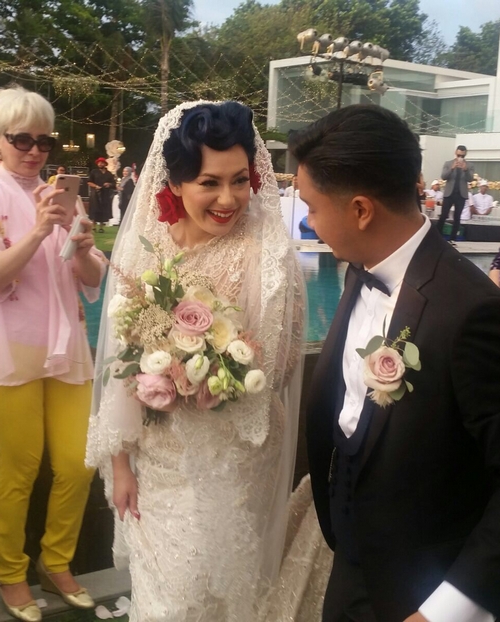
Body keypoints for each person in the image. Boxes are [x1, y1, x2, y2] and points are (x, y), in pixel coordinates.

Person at [86, 101, 308, 622]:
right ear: (176, 182)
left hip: (235, 464)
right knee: (163, 601)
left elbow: (276, 367)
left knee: (211, 599)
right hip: (157, 463)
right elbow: (121, 361)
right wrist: (120, 464)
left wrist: (203, 371)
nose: (229, 199)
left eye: (240, 180)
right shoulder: (147, 247)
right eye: (210, 182)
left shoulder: (267, 254)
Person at [289, 104, 500, 622]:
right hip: (350, 558)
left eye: (312, 207)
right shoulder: (360, 268)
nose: (308, 222)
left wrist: (447, 610)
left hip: (423, 586)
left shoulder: (471, 312)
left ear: (361, 210)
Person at [0, 86, 106, 621]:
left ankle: (56, 560)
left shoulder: (64, 196)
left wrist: (81, 245)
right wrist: (41, 229)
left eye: (45, 140)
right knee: (16, 471)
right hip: (11, 348)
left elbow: (92, 279)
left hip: (67, 346)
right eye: (22, 139)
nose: (35, 150)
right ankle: (10, 572)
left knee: (78, 462)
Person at [437, 145, 474, 244]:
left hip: (461, 194)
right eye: (458, 155)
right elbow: (443, 177)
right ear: (455, 153)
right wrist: (452, 168)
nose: (460, 157)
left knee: (457, 217)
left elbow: (470, 179)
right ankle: (437, 237)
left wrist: (465, 170)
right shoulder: (448, 163)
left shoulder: (469, 165)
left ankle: (452, 239)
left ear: (465, 154)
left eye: (462, 156)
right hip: (449, 193)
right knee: (443, 215)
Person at [88, 157, 116, 232]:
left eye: (102, 163)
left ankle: (101, 227)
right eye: (99, 163)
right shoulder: (94, 172)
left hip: (105, 194)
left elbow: (114, 184)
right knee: (94, 209)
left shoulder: (109, 174)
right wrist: (96, 186)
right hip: (95, 194)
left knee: (103, 210)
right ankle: (93, 227)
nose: (100, 164)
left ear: (105, 164)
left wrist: (109, 184)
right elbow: (89, 182)